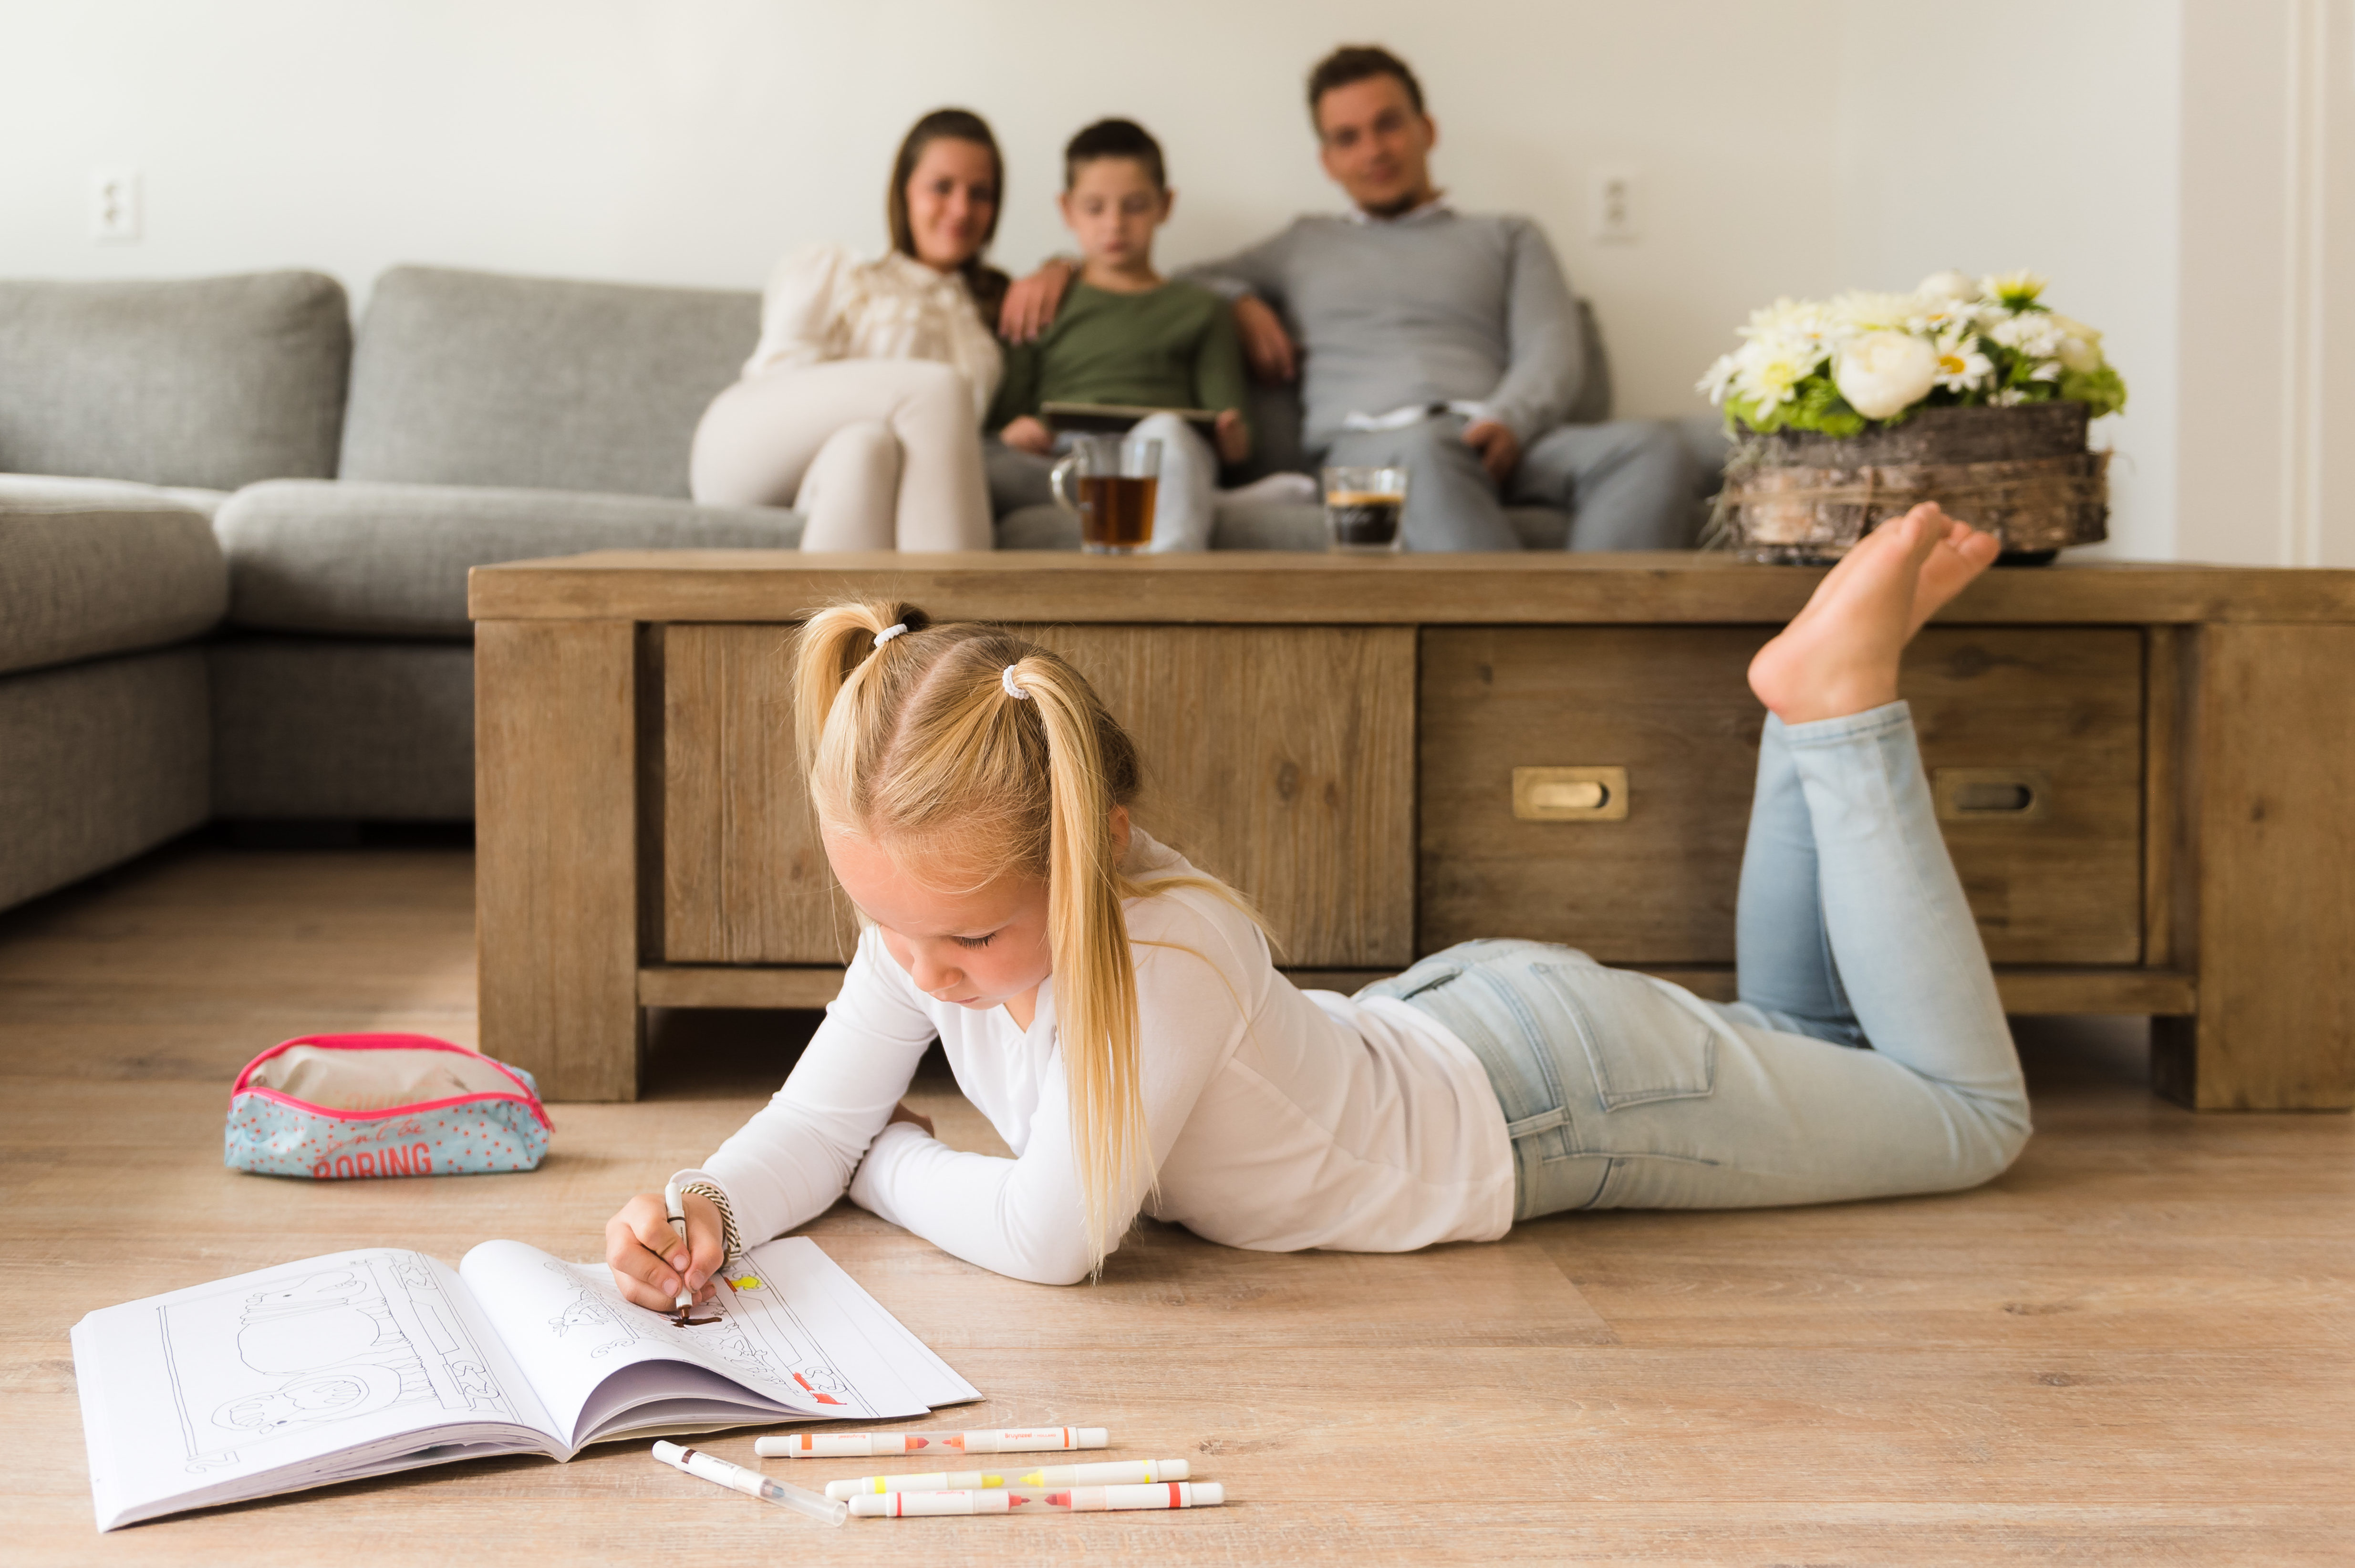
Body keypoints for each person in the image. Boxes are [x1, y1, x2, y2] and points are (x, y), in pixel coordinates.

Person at [604, 504, 2031, 1298]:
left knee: (1966, 1120)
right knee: (1799, 1033)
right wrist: (708, 1211)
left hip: (1557, 1100)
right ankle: (1808, 709)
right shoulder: (928, 926)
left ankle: (1838, 713)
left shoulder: (1166, 947)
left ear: (1096, 845)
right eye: (895, 934)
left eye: (969, 939)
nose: (927, 974)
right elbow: (811, 1119)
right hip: (1460, 1036)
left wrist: (881, 1166)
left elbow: (1052, 1239)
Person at [1002, 45, 1698, 553]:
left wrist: (1510, 419)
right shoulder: (1303, 244)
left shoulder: (1508, 236)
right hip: (1378, 448)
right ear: (1327, 160)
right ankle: (1524, 661)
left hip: (1504, 437)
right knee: (1422, 453)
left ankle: (1596, 647)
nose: (1373, 149)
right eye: (1347, 137)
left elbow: (1552, 351)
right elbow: (1176, 276)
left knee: (1651, 447)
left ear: (1426, 129)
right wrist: (1237, 298)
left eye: (1388, 124)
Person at [688, 108, 1003, 551]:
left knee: (867, 450)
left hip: (838, 466)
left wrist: (1061, 268)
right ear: (904, 191)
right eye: (942, 187)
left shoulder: (984, 312)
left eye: (980, 193)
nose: (961, 209)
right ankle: (968, 619)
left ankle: (845, 625)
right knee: (939, 390)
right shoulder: (845, 272)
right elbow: (779, 377)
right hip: (747, 445)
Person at [987, 119, 1260, 553]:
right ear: (1066, 209)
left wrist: (1232, 440)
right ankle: (1202, 503)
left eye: (1134, 206)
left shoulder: (1202, 309)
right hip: (1066, 461)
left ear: (1165, 205)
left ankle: (1167, 579)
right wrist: (1014, 431)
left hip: (1163, 454)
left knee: (1167, 433)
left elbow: (1236, 434)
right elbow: (1001, 424)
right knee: (987, 466)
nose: (1114, 224)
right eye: (1094, 208)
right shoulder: (1039, 303)